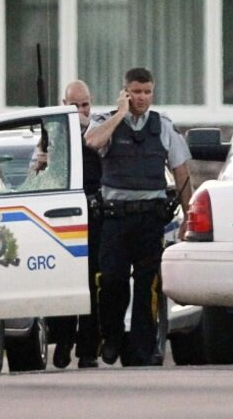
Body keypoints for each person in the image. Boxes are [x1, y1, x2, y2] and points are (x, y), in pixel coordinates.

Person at [85, 67, 191, 366]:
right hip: (116, 220)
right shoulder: (105, 121)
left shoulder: (163, 125)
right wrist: (120, 115)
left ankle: (143, 349)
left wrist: (189, 216)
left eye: (147, 92)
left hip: (150, 219)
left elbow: (182, 172)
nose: (141, 98)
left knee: (148, 287)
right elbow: (92, 142)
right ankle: (112, 336)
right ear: (125, 91)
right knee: (112, 282)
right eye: (136, 92)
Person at [31, 80, 104, 369]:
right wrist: (43, 161)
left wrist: (85, 125)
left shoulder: (99, 130)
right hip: (62, 218)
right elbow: (35, 174)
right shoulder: (52, 133)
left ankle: (88, 350)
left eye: (84, 104)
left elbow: (105, 154)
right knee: (63, 280)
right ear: (63, 105)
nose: (80, 110)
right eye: (73, 105)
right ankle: (62, 341)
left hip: (94, 215)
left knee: (93, 284)